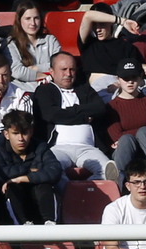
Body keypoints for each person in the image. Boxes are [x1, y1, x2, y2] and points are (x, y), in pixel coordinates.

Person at [33, 51, 113, 182]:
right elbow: (51, 114)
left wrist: (68, 112)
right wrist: (84, 118)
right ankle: (71, 198)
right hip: (57, 148)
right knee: (52, 172)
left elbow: (99, 108)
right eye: (63, 69)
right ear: (51, 71)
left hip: (88, 148)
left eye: (72, 70)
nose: (68, 74)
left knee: (111, 172)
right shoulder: (44, 90)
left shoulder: (84, 89)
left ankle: (88, 194)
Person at [0, 109, 63, 225]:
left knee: (44, 185)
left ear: (31, 132)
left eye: (25, 133)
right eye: (16, 133)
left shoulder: (41, 146)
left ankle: (50, 224)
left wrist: (22, 178)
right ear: (6, 134)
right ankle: (23, 226)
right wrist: (29, 171)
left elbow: (55, 171)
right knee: (12, 187)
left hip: (37, 198)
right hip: (7, 202)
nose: (21, 138)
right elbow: (2, 174)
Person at [77, 1, 142, 97]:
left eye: (102, 24)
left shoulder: (126, 47)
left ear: (110, 23)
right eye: (94, 25)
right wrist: (122, 21)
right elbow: (88, 16)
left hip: (123, 87)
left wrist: (120, 84)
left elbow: (136, 73)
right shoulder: (88, 43)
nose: (98, 29)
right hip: (99, 90)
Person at [4, 0, 60, 92]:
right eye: (28, 18)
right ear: (19, 20)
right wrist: (41, 75)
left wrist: (36, 68)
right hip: (22, 90)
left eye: (36, 18)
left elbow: (58, 66)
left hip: (49, 89)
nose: (33, 23)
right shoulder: (12, 43)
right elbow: (17, 71)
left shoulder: (51, 40)